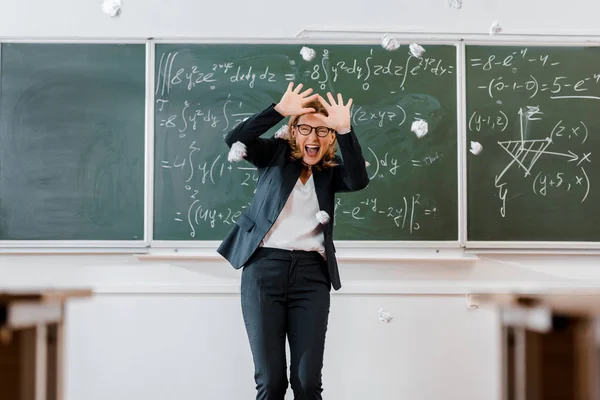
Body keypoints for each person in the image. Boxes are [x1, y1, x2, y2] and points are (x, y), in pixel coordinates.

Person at [217, 82, 369, 400]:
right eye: (305, 128)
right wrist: (278, 110)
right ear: (293, 130)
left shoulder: (332, 171)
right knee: (271, 383)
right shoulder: (273, 155)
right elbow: (235, 139)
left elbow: (358, 179)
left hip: (311, 275)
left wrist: (345, 129)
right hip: (263, 271)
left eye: (323, 131)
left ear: (330, 138)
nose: (313, 137)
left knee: (307, 383)